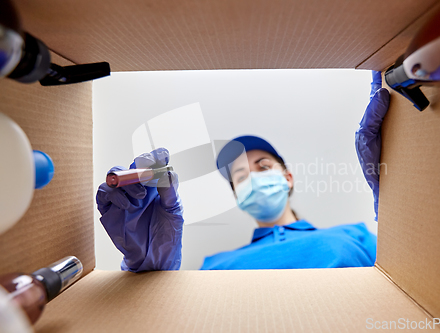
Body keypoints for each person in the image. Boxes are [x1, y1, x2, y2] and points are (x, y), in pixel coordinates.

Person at [96, 71, 390, 272]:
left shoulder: (356, 236)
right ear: (238, 196)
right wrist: (149, 274)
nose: (253, 177)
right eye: (240, 176)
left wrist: (395, 205)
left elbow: (416, 281)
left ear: (287, 178)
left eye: (263, 166)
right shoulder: (215, 266)